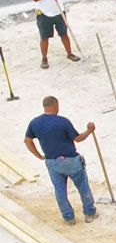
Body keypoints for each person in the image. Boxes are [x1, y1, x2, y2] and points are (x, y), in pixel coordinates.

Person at [22, 96, 98, 226]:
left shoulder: (34, 123)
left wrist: (39, 155)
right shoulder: (63, 122)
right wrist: (90, 130)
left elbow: (27, 141)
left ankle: (69, 218)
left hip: (52, 162)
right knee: (83, 186)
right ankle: (89, 213)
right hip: (71, 160)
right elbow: (78, 138)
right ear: (55, 106)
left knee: (60, 191)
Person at [29, 0, 80, 70]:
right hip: (43, 14)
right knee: (44, 37)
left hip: (59, 12)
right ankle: (44, 58)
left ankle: (69, 53)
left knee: (64, 34)